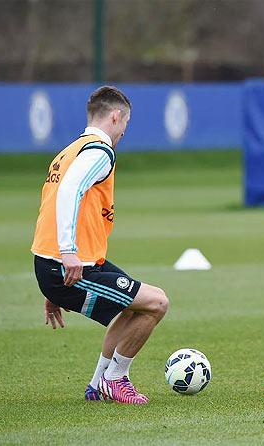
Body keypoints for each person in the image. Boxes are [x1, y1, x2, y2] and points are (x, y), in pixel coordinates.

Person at [32, 86, 169, 404]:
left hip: (63, 262)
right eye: (125, 124)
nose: (123, 132)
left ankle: (98, 385)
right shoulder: (99, 151)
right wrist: (66, 255)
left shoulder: (71, 150)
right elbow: (68, 192)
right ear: (115, 116)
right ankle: (115, 378)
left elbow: (49, 206)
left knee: (134, 307)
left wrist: (52, 277)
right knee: (157, 303)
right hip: (65, 263)